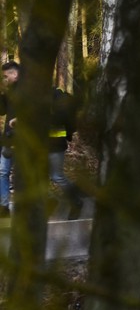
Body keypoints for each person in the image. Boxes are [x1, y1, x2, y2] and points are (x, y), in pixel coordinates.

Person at [48, 86, 84, 219]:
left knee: (57, 176)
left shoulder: (58, 102)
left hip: (55, 145)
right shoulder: (51, 99)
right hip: (48, 144)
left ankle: (76, 201)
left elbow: (64, 125)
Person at [0, 61, 19, 217]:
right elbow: (1, 111)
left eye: (6, 76)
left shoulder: (28, 90)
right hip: (7, 138)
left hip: (22, 140)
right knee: (3, 172)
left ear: (15, 74)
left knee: (20, 174)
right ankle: (4, 206)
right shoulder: (9, 91)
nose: (4, 79)